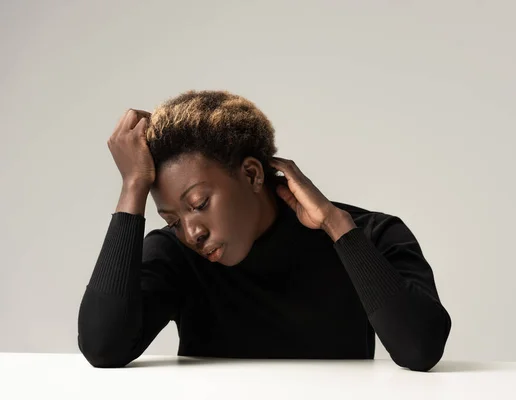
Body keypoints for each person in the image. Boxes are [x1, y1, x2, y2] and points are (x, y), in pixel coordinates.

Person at [77, 90, 451, 372]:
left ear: (253, 174)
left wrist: (337, 227)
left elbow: (420, 349)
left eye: (198, 204)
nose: (191, 232)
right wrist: (132, 187)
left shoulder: (368, 235)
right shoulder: (176, 255)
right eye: (172, 220)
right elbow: (103, 347)